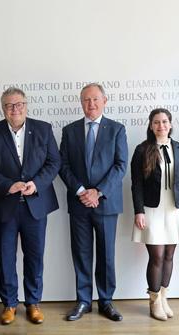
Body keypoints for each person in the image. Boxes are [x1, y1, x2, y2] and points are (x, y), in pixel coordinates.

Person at [0, 87, 60, 325]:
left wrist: (37, 183)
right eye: (10, 105)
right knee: (5, 258)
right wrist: (7, 185)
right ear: (3, 108)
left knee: (35, 257)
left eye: (19, 104)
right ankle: (9, 304)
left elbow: (54, 162)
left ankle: (33, 303)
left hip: (35, 206)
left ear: (26, 105)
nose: (15, 109)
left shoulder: (43, 129)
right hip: (3, 207)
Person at [59, 83, 128, 322]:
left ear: (104, 101)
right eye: (86, 100)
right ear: (81, 103)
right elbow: (63, 165)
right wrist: (81, 191)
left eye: (95, 99)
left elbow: (121, 166)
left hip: (106, 203)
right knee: (81, 252)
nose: (91, 104)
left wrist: (97, 192)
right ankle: (83, 301)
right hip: (79, 203)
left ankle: (106, 301)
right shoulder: (69, 131)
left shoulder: (117, 130)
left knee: (106, 255)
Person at [130, 108, 179, 321]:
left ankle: (164, 297)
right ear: (150, 125)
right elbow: (136, 184)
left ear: (171, 124)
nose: (161, 126)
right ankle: (154, 300)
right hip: (152, 209)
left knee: (169, 256)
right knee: (156, 256)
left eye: (165, 121)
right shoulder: (142, 150)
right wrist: (139, 211)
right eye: (156, 122)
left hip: (175, 209)